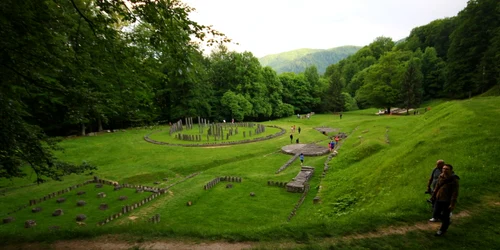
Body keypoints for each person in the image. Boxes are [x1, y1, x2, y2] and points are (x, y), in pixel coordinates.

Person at [429, 164, 459, 236]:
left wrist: (452, 204)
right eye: (443, 169)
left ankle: (442, 230)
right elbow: (437, 186)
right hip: (438, 198)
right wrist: (433, 195)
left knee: (445, 215)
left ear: (451, 170)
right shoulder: (441, 176)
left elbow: (455, 193)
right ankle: (447, 221)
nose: (444, 170)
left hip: (447, 200)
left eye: (446, 169)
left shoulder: (454, 179)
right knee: (436, 214)